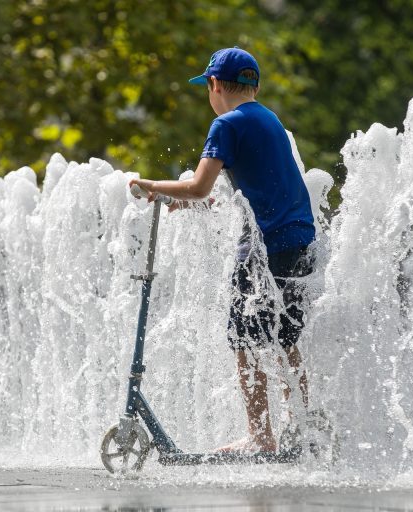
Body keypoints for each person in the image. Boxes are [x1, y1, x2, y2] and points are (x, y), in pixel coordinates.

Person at [128, 47, 315, 453]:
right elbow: (255, 190)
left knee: (244, 340)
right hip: (299, 238)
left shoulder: (225, 125)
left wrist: (151, 186)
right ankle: (302, 426)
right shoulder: (269, 119)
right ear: (256, 85)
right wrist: (196, 201)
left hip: (263, 246)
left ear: (214, 85)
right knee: (285, 339)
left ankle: (260, 438)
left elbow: (199, 185)